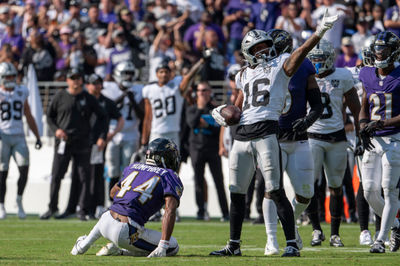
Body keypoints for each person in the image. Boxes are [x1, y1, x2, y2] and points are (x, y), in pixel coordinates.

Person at [210, 10, 339, 257]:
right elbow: (237, 107)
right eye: (257, 48)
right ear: (248, 51)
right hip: (241, 135)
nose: (263, 51)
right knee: (236, 192)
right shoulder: (242, 74)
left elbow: (300, 54)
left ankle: (291, 243)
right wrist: (221, 113)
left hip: (267, 131)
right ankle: (234, 245)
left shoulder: (280, 64)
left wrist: (319, 32)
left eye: (265, 46)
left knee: (275, 189)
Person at [263, 30, 323, 255]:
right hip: (272, 138)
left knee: (306, 193)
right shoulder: (263, 68)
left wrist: (307, 120)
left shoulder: (304, 67)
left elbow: (317, 105)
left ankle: (289, 221)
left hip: (298, 139)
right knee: (271, 189)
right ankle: (272, 241)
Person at [70, 138, 183, 258]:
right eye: (171, 156)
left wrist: (132, 199)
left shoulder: (133, 167)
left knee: (109, 216)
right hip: (126, 230)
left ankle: (82, 245)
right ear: (161, 158)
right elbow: (170, 210)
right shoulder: (169, 176)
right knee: (172, 246)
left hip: (105, 219)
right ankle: (121, 251)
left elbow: (113, 193)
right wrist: (163, 246)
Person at [306, 39, 361, 247]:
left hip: (337, 137)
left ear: (329, 59)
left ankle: (335, 234)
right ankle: (315, 230)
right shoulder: (306, 76)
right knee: (308, 186)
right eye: (314, 59)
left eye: (320, 59)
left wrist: (360, 133)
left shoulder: (343, 75)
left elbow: (355, 108)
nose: (317, 63)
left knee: (336, 186)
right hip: (312, 136)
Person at [40, 68, 108, 220]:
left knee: (84, 177)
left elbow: (103, 117)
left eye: (78, 78)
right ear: (68, 80)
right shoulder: (60, 96)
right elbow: (49, 117)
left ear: (82, 80)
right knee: (57, 175)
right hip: (63, 142)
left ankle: (82, 209)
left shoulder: (88, 98)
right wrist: (56, 130)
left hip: (83, 142)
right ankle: (52, 207)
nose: (76, 81)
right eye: (73, 78)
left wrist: (102, 137)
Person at [358, 31, 400, 253]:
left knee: (389, 189)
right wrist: (362, 126)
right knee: (368, 191)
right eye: (377, 49)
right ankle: (396, 225)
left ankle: (380, 240)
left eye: (383, 50)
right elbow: (364, 105)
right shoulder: (366, 73)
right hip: (373, 140)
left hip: (395, 137)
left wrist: (382, 123)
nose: (379, 53)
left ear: (393, 52)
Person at [0, 62, 42, 219]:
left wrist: (37, 136)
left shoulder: (22, 91)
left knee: (24, 171)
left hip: (19, 137)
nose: (10, 79)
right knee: (2, 173)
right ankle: (1, 205)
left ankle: (19, 200)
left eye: (12, 76)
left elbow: (28, 114)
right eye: (7, 76)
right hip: (2, 136)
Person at [186, 81, 229, 221]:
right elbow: (191, 124)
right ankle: (200, 211)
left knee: (219, 181)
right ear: (196, 92)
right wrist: (200, 108)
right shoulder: (192, 108)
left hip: (212, 149)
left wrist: (207, 126)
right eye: (200, 90)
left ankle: (225, 213)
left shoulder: (216, 110)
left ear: (210, 92)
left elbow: (220, 128)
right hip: (196, 148)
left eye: (205, 90)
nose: (202, 93)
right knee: (198, 181)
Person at [102, 61, 144, 196]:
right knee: (112, 170)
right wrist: (122, 97)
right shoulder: (109, 88)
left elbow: (142, 115)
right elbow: (107, 111)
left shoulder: (138, 90)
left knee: (128, 171)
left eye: (131, 74)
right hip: (113, 134)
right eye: (125, 74)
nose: (129, 77)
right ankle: (111, 199)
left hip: (131, 134)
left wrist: (131, 99)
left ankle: (125, 200)